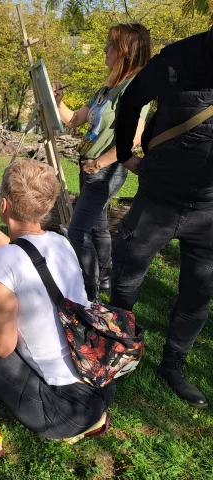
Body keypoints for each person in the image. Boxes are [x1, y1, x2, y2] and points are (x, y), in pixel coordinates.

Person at [0, 159, 116, 458]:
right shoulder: (61, 243)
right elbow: (20, 250)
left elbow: (1, 346)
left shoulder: (5, 260)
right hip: (99, 388)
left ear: (5, 205)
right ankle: (91, 423)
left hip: (60, 413)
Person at [111, 27, 213, 409]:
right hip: (159, 199)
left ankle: (173, 365)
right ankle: (120, 348)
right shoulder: (178, 57)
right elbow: (131, 100)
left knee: (198, 292)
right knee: (126, 277)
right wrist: (124, 153)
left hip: (209, 210)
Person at [52, 23, 151, 301]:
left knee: (77, 231)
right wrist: (57, 101)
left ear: (125, 51)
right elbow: (74, 120)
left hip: (106, 170)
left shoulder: (135, 86)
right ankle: (104, 279)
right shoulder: (107, 87)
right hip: (90, 167)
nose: (105, 49)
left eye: (110, 45)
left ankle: (89, 294)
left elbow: (135, 136)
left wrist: (101, 163)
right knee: (97, 227)